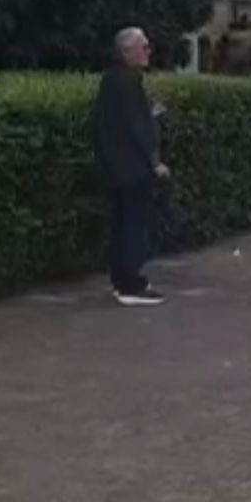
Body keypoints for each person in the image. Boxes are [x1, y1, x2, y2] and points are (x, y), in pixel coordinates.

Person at [94, 26, 169, 307]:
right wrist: (155, 162)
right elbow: (137, 126)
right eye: (143, 46)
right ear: (127, 51)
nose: (148, 51)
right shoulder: (128, 81)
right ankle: (129, 284)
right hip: (130, 168)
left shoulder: (112, 79)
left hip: (116, 166)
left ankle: (124, 279)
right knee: (132, 226)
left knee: (123, 224)